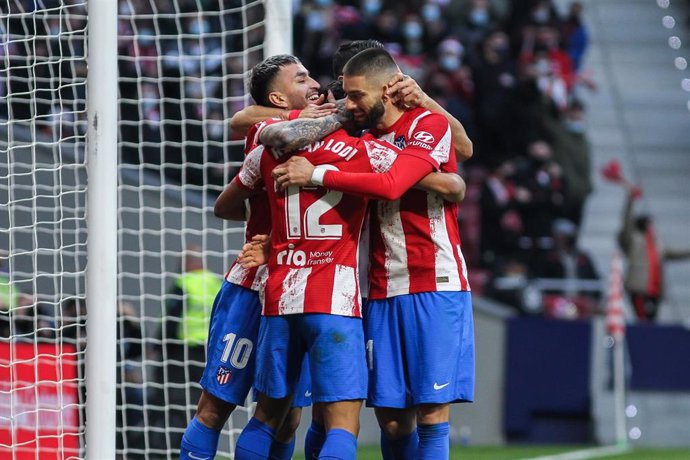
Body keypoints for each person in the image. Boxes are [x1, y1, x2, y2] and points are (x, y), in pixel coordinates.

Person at [273, 48, 474, 460]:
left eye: (357, 96)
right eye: (345, 95)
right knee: (393, 420)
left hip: (434, 281)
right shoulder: (360, 137)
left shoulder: (427, 123)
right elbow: (251, 120)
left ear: (388, 88)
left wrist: (316, 173)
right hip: (379, 288)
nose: (349, 105)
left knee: (433, 412)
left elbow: (394, 184)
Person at [178, 55, 323, 460]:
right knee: (215, 405)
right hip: (252, 285)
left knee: (287, 416)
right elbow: (241, 119)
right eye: (302, 77)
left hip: (301, 285)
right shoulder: (268, 130)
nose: (312, 81)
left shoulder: (331, 131)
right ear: (277, 97)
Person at [617, 185, 690, 322]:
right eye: (650, 224)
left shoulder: (657, 244)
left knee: (651, 321)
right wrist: (631, 199)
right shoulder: (634, 239)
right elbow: (626, 221)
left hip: (655, 290)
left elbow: (674, 253)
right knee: (643, 320)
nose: (653, 227)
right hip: (639, 288)